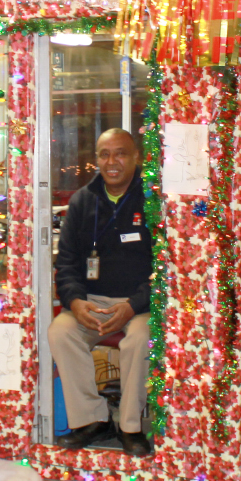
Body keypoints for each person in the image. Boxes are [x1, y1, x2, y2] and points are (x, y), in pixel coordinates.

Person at [49, 128, 153, 457]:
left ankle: (130, 426)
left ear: (136, 157)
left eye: (120, 153)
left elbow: (167, 268)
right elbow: (65, 264)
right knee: (61, 332)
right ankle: (93, 420)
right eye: (104, 154)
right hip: (91, 303)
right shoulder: (82, 201)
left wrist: (133, 305)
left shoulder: (153, 201)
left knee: (139, 339)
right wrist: (76, 302)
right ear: (96, 159)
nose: (112, 161)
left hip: (139, 306)